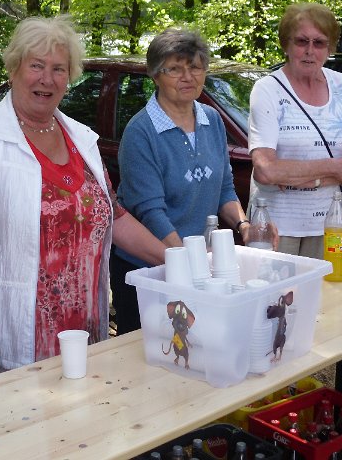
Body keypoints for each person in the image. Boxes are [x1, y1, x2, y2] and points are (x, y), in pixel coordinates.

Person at [0, 16, 166, 381]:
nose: (47, 78)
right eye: (36, 66)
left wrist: (177, 260)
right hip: (7, 338)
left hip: (81, 336)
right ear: (13, 69)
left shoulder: (81, 139)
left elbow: (113, 218)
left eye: (59, 69)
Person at [110, 28, 265, 335]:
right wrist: (194, 269)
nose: (187, 77)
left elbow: (224, 189)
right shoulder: (141, 131)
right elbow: (151, 212)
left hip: (199, 267)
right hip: (148, 270)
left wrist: (244, 226)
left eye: (194, 67)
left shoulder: (212, 120)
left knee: (200, 352)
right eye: (175, 69)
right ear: (155, 75)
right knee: (151, 361)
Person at [248, 3, 342, 259]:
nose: (309, 51)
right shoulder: (268, 89)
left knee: (328, 296)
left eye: (319, 43)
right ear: (286, 44)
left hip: (331, 224)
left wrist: (296, 176)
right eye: (301, 41)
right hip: (276, 228)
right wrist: (336, 169)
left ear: (329, 48)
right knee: (278, 298)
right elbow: (266, 170)